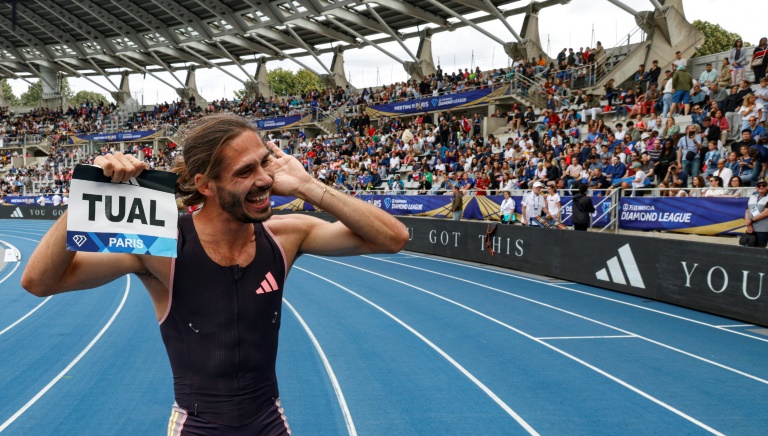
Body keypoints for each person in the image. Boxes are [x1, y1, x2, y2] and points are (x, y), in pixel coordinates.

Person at [21, 114, 410, 434]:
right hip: (197, 426)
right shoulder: (161, 246)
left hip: (268, 423)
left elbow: (393, 238)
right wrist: (90, 194)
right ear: (206, 185)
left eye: (264, 163)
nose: (263, 180)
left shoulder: (286, 236)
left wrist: (307, 185)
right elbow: (40, 282)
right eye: (245, 171)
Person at [745, 180, 768, 247]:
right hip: (750, 228)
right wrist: (748, 224)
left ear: (767, 187)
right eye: (759, 185)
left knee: (760, 249)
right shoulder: (752, 197)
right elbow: (747, 211)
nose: (761, 187)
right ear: (756, 187)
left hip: (763, 229)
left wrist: (751, 221)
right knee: (748, 249)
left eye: (763, 185)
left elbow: (766, 213)